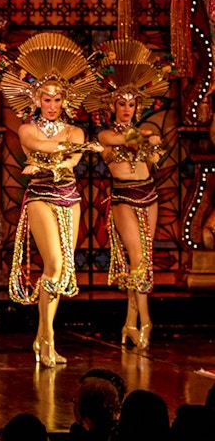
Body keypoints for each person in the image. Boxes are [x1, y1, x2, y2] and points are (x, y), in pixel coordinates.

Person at [0, 33, 101, 367]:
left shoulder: (76, 131)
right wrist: (67, 152)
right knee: (53, 265)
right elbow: (43, 147)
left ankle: (43, 337)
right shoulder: (27, 129)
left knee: (62, 269)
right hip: (40, 196)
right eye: (45, 99)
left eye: (57, 99)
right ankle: (47, 338)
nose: (51, 105)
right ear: (36, 99)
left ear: (65, 101)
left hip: (69, 196)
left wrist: (68, 155)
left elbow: (71, 160)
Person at [85, 40, 170, 351]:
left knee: (144, 258)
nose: (127, 109)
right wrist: (147, 139)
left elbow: (153, 157)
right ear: (112, 106)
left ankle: (130, 322)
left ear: (138, 107)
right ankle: (146, 321)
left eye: (132, 104)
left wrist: (150, 141)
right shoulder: (106, 135)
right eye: (122, 104)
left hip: (150, 195)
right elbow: (134, 141)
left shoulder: (147, 132)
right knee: (138, 257)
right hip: (123, 198)